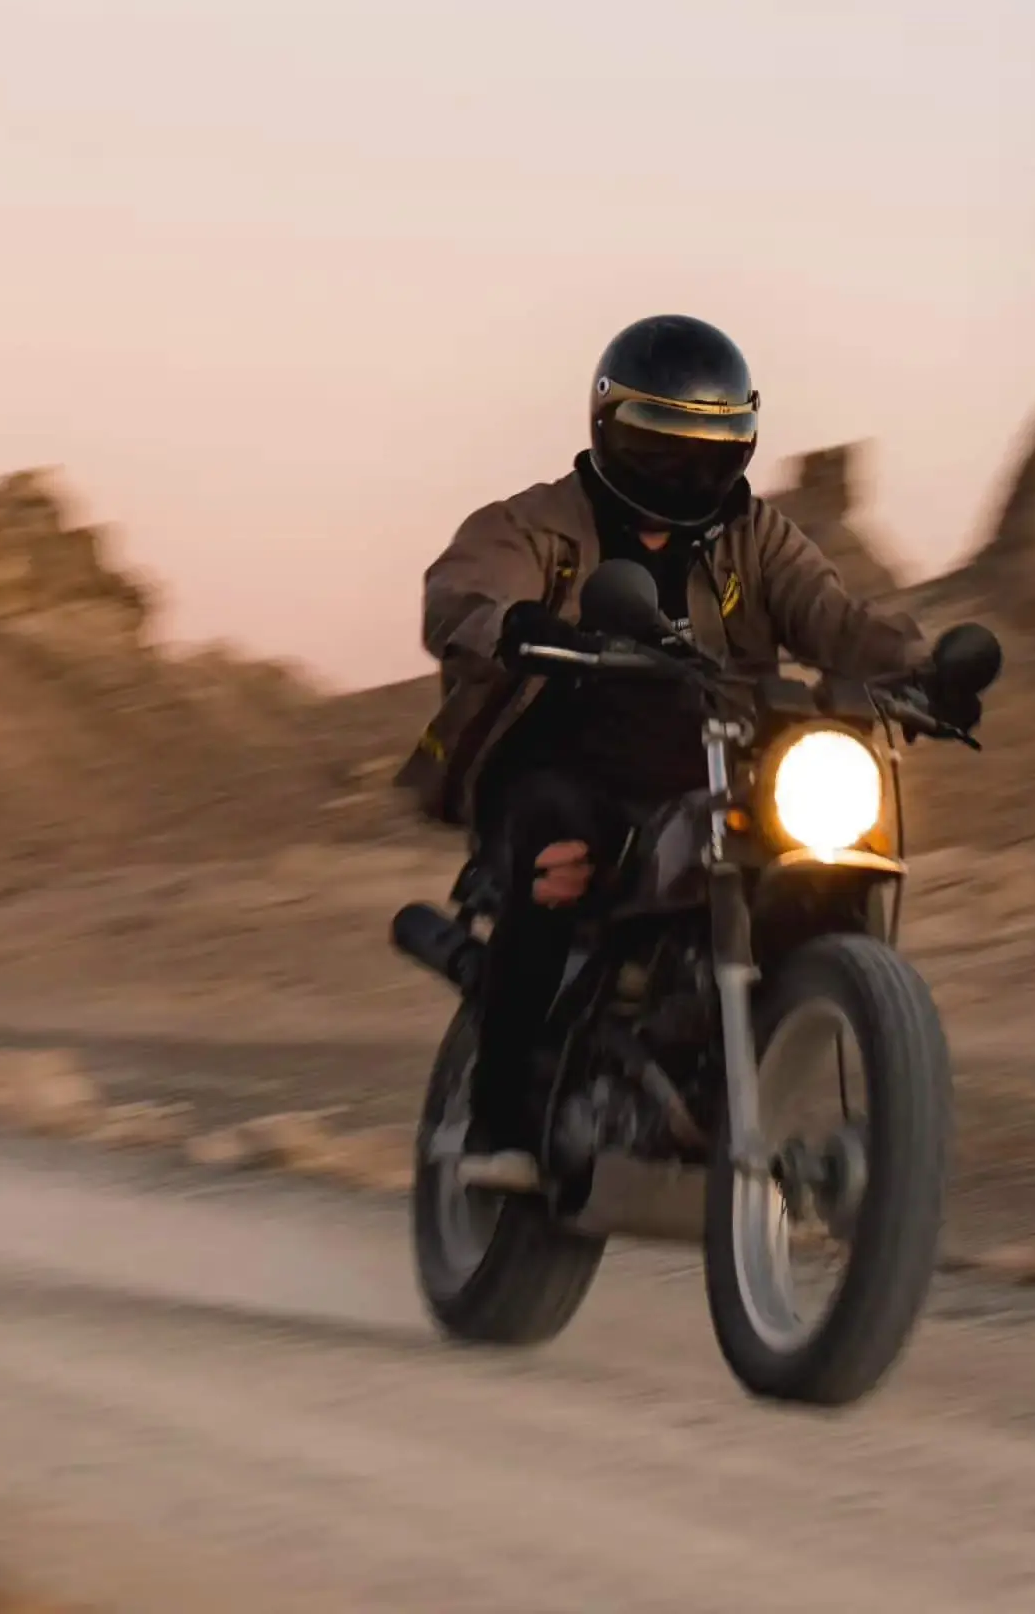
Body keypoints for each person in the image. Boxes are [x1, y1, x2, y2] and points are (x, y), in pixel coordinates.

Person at [397, 314, 956, 1178]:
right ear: (610, 430)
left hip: (702, 756)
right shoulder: (535, 524)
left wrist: (923, 670)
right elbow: (458, 592)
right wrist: (512, 624)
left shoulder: (755, 537)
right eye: (663, 449)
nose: (688, 473)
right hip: (556, 755)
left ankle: (744, 1057)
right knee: (561, 859)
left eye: (713, 452)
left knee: (809, 858)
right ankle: (499, 1124)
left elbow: (834, 619)